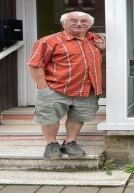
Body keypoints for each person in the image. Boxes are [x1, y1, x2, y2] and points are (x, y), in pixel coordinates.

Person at [27, 11, 106, 159]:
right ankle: (51, 144)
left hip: (86, 88)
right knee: (49, 117)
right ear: (63, 23)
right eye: (73, 20)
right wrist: (43, 87)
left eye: (84, 21)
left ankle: (70, 142)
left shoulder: (95, 39)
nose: (79, 23)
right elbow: (34, 65)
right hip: (56, 89)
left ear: (90, 24)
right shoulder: (49, 41)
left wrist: (103, 49)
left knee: (78, 116)